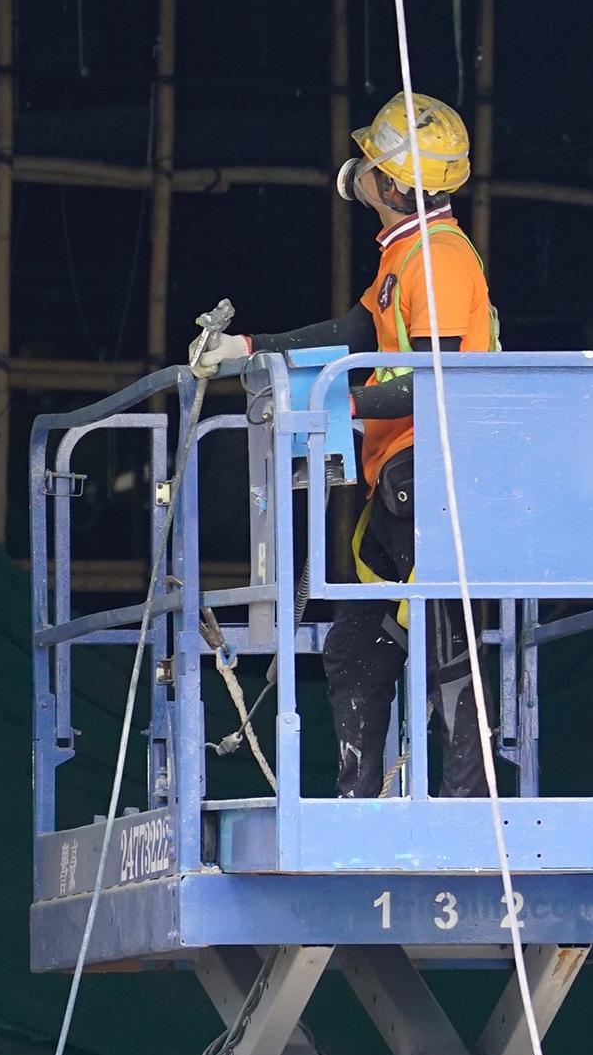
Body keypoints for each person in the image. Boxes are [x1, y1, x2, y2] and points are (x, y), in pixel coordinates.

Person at [189, 91, 499, 800]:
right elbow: (355, 332)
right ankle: (360, 801)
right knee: (356, 646)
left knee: (445, 641)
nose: (359, 172)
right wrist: (248, 348)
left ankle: (468, 805)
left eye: (371, 163)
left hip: (437, 472)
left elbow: (440, 381)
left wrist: (339, 403)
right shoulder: (407, 256)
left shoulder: (439, 261)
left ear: (392, 184)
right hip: (399, 477)